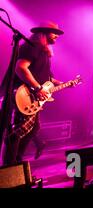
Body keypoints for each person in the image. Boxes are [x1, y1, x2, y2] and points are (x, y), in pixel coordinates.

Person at [2, 21, 65, 165]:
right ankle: (9, 167)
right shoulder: (33, 47)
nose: (57, 36)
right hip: (23, 94)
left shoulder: (44, 52)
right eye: (54, 33)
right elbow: (20, 68)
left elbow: (46, 77)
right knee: (16, 132)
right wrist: (38, 88)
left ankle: (17, 161)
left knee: (33, 128)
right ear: (43, 33)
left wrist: (62, 84)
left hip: (32, 95)